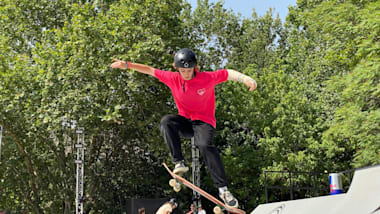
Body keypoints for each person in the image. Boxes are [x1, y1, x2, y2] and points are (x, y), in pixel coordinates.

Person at [111, 48, 257, 208]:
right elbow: (149, 70)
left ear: (195, 67)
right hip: (185, 122)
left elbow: (227, 73)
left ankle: (223, 190)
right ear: (177, 68)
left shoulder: (206, 78)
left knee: (204, 145)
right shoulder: (172, 78)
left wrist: (246, 79)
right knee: (166, 121)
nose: (186, 74)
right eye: (183, 71)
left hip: (204, 122)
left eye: (189, 70)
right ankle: (179, 162)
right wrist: (126, 65)